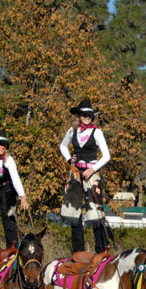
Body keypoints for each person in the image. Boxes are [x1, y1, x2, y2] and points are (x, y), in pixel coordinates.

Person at [59, 97, 111, 254]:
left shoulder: (97, 132)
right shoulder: (72, 130)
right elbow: (62, 146)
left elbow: (107, 156)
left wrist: (92, 169)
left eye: (88, 114)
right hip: (75, 174)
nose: (86, 117)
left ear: (92, 116)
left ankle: (100, 251)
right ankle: (78, 252)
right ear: (79, 116)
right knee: (73, 211)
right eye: (83, 114)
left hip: (92, 174)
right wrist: (69, 159)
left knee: (95, 212)